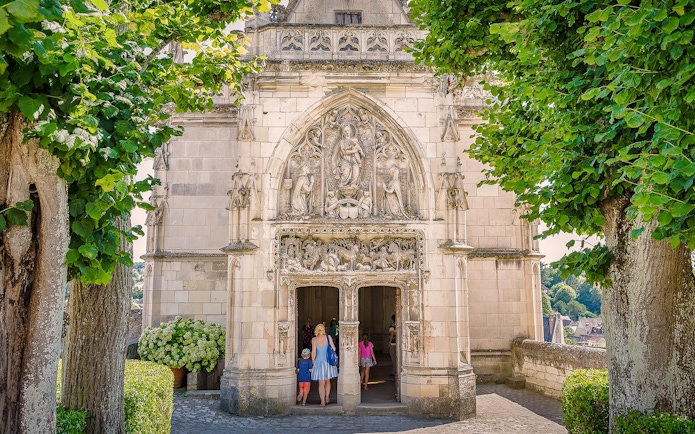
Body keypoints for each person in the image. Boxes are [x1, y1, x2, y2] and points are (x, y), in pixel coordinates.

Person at [311, 323, 338, 406]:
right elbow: (334, 348)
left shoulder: (314, 340)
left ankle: (322, 401)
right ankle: (327, 397)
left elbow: (314, 352)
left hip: (319, 362)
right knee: (328, 381)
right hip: (327, 362)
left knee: (321, 383)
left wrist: (313, 362)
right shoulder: (328, 337)